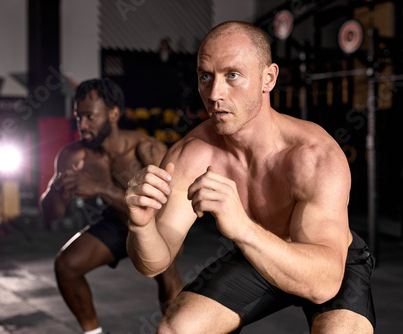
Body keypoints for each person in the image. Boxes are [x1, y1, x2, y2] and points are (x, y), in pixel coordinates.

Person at [125, 21, 375, 334]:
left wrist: (241, 226)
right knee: (175, 330)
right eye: (206, 76)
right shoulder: (192, 154)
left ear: (267, 78)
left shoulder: (314, 155)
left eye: (232, 75)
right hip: (257, 252)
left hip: (328, 263)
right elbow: (154, 264)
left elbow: (323, 284)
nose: (215, 94)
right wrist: (140, 225)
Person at [39, 78, 183, 334]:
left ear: (113, 114)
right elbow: (52, 214)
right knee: (66, 265)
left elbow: (167, 210)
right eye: (78, 117)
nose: (82, 125)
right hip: (116, 223)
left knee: (166, 270)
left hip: (156, 226)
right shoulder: (74, 155)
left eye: (89, 117)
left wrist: (100, 188)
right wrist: (57, 190)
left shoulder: (146, 149)